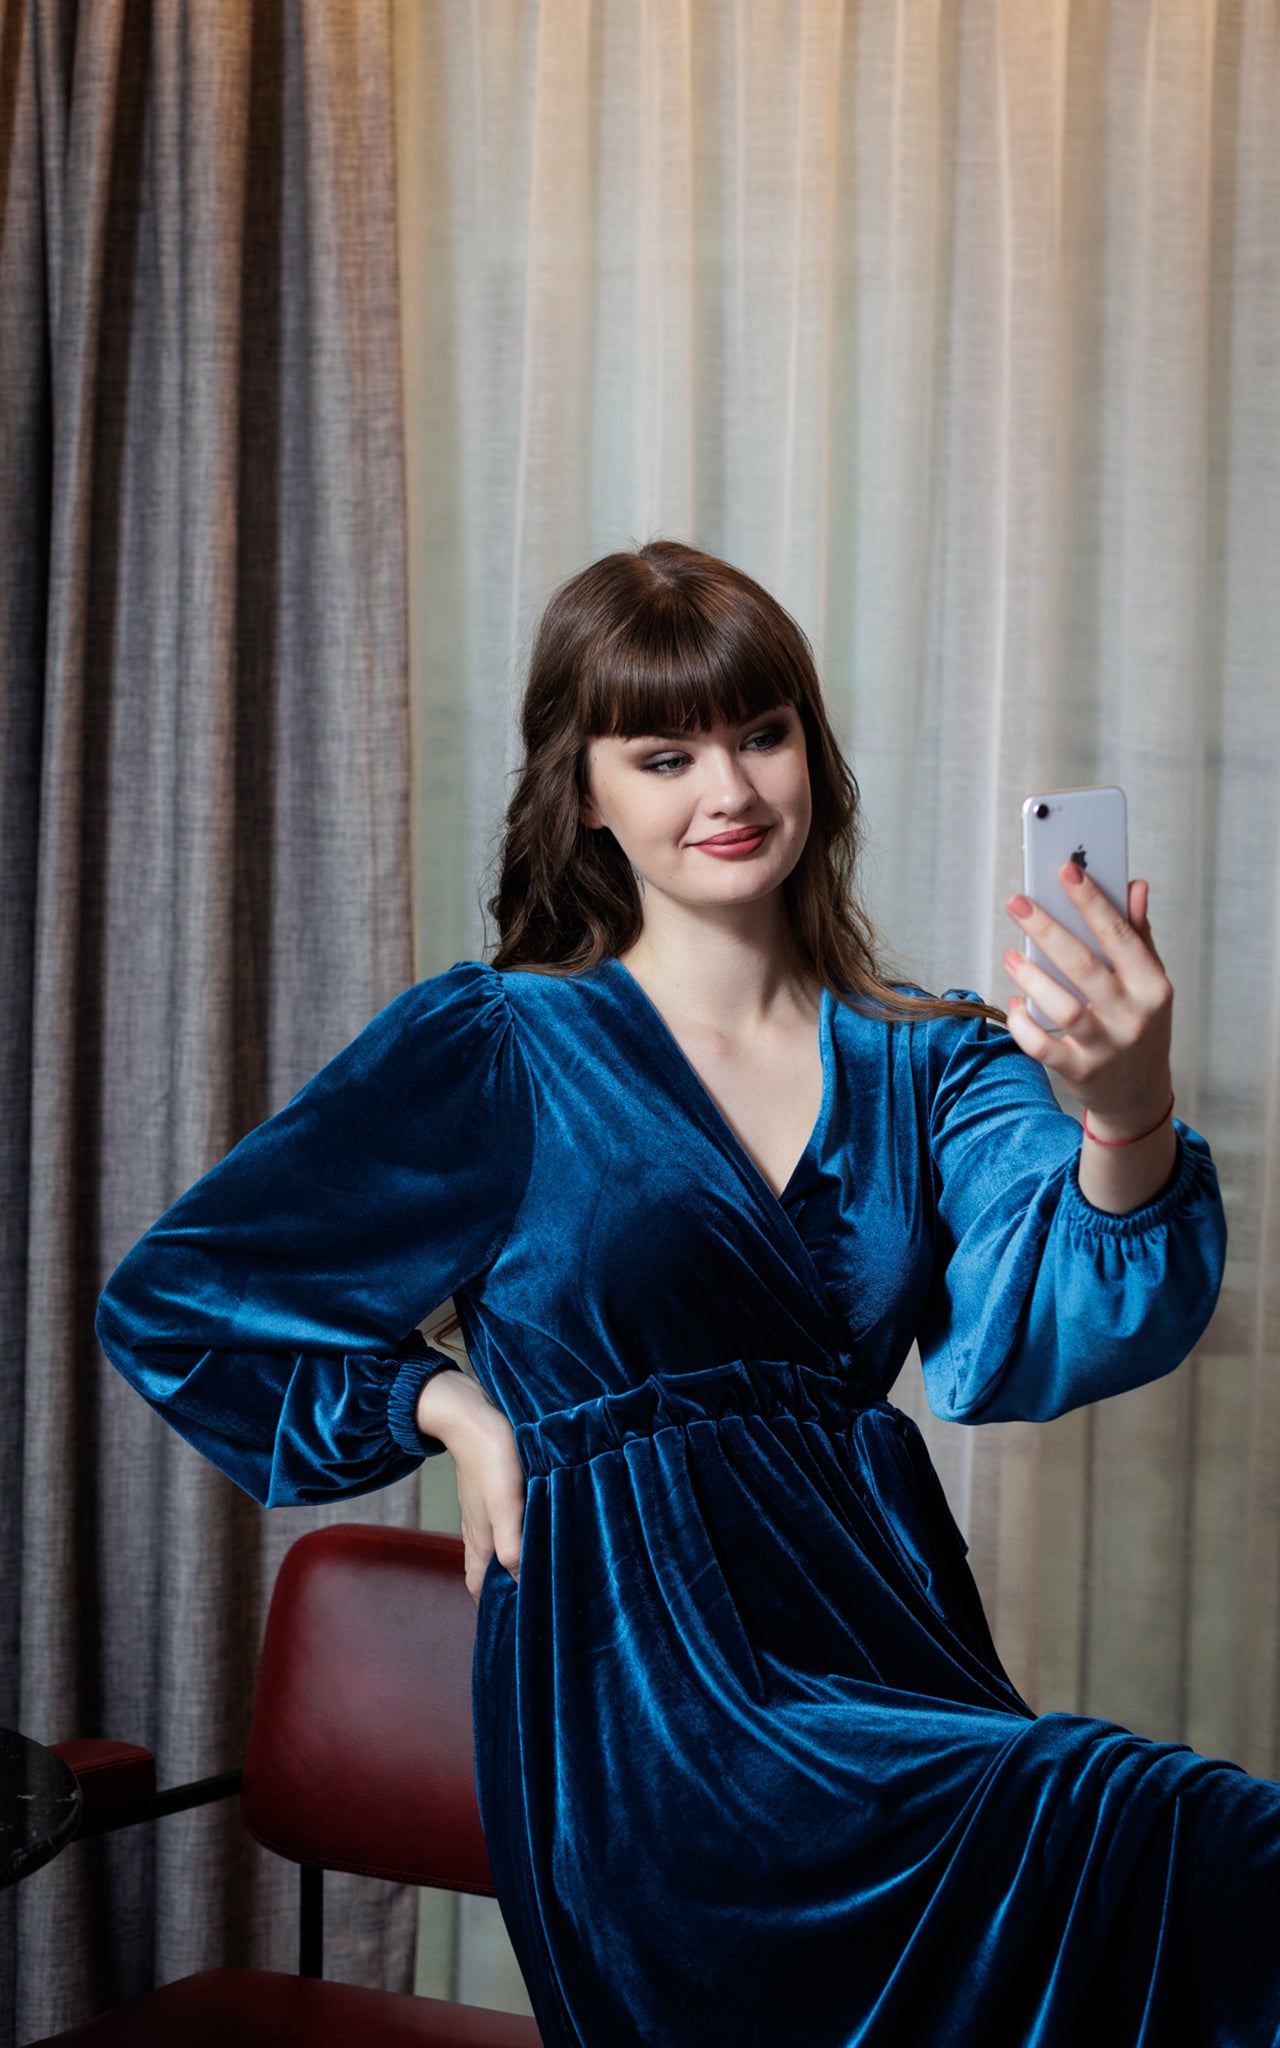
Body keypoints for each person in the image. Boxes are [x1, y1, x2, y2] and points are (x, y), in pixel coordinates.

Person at [96, 541, 1279, 2047]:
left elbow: (1062, 1305)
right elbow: (182, 1297)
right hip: (639, 1710)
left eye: (762, 734)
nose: (728, 790)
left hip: (881, 1649)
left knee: (1197, 1857)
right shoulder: (500, 1047)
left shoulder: (939, 1062)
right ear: (585, 793)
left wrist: (1128, 1106)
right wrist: (445, 1402)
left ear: (812, 753)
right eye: (665, 753)